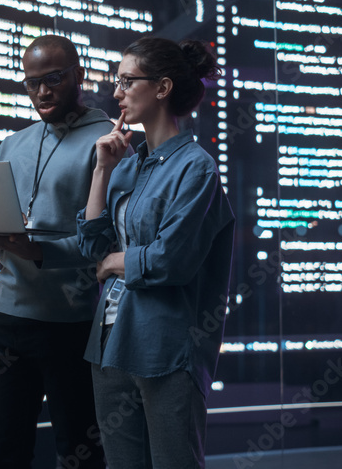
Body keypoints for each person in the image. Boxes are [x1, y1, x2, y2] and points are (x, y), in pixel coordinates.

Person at [76, 36, 235, 468]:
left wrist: (116, 261)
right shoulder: (127, 164)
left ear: (163, 87)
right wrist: (102, 171)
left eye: (127, 81)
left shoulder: (196, 167)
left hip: (164, 347)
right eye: (117, 81)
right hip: (109, 342)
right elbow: (92, 245)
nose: (117, 92)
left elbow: (171, 261)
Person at [0, 34, 114, 469]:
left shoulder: (108, 142)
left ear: (78, 76)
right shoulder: (12, 143)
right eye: (32, 83)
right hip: (4, 322)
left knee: (80, 455)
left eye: (54, 79)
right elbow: (7, 233)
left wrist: (35, 250)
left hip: (70, 325)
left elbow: (105, 245)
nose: (42, 91)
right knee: (4, 455)